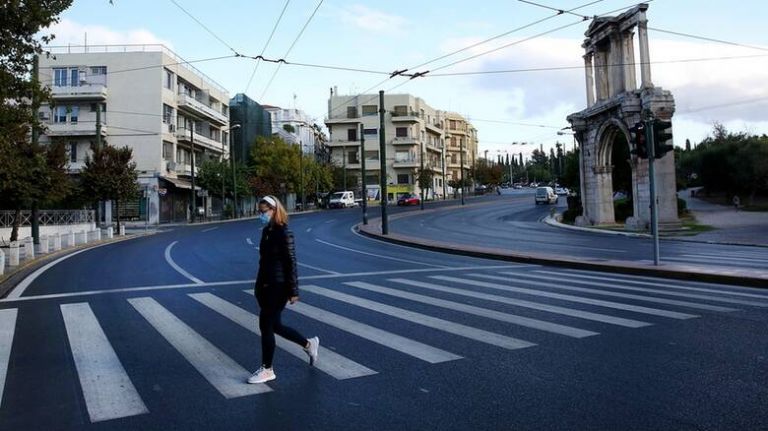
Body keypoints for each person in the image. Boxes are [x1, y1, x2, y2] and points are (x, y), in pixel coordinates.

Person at [248, 195, 319, 384]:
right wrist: (258, 287)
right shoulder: (267, 231)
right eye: (259, 211)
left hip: (278, 286)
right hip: (266, 285)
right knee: (276, 325)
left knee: (265, 325)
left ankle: (267, 369)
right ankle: (309, 344)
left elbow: (291, 262)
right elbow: (264, 262)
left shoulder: (283, 232)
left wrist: (293, 291)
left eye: (263, 212)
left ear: (274, 210)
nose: (261, 215)